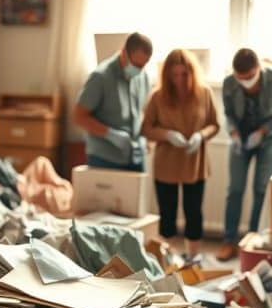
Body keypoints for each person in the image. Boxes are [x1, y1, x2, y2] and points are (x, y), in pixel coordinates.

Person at [140, 49, 219, 258]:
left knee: (194, 212)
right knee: (167, 214)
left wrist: (200, 136)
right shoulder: (157, 97)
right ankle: (170, 257)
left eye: (184, 74)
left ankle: (193, 257)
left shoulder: (204, 93)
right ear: (167, 75)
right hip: (166, 163)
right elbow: (146, 129)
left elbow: (214, 125)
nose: (179, 80)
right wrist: (166, 135)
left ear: (192, 72)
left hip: (195, 162)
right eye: (174, 75)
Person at [217, 48, 272, 261]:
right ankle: (229, 241)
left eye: (248, 77)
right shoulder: (229, 83)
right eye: (240, 78)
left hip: (268, 138)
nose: (244, 81)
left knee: (261, 189)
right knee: (235, 189)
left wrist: (263, 131)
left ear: (258, 69)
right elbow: (228, 113)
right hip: (240, 138)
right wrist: (234, 133)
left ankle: (253, 241)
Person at [74, 32, 153, 171]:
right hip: (104, 158)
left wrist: (144, 140)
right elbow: (79, 116)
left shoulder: (143, 77)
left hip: (134, 156)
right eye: (135, 64)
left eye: (143, 65)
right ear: (123, 52)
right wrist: (110, 134)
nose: (139, 70)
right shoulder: (100, 77)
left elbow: (143, 111)